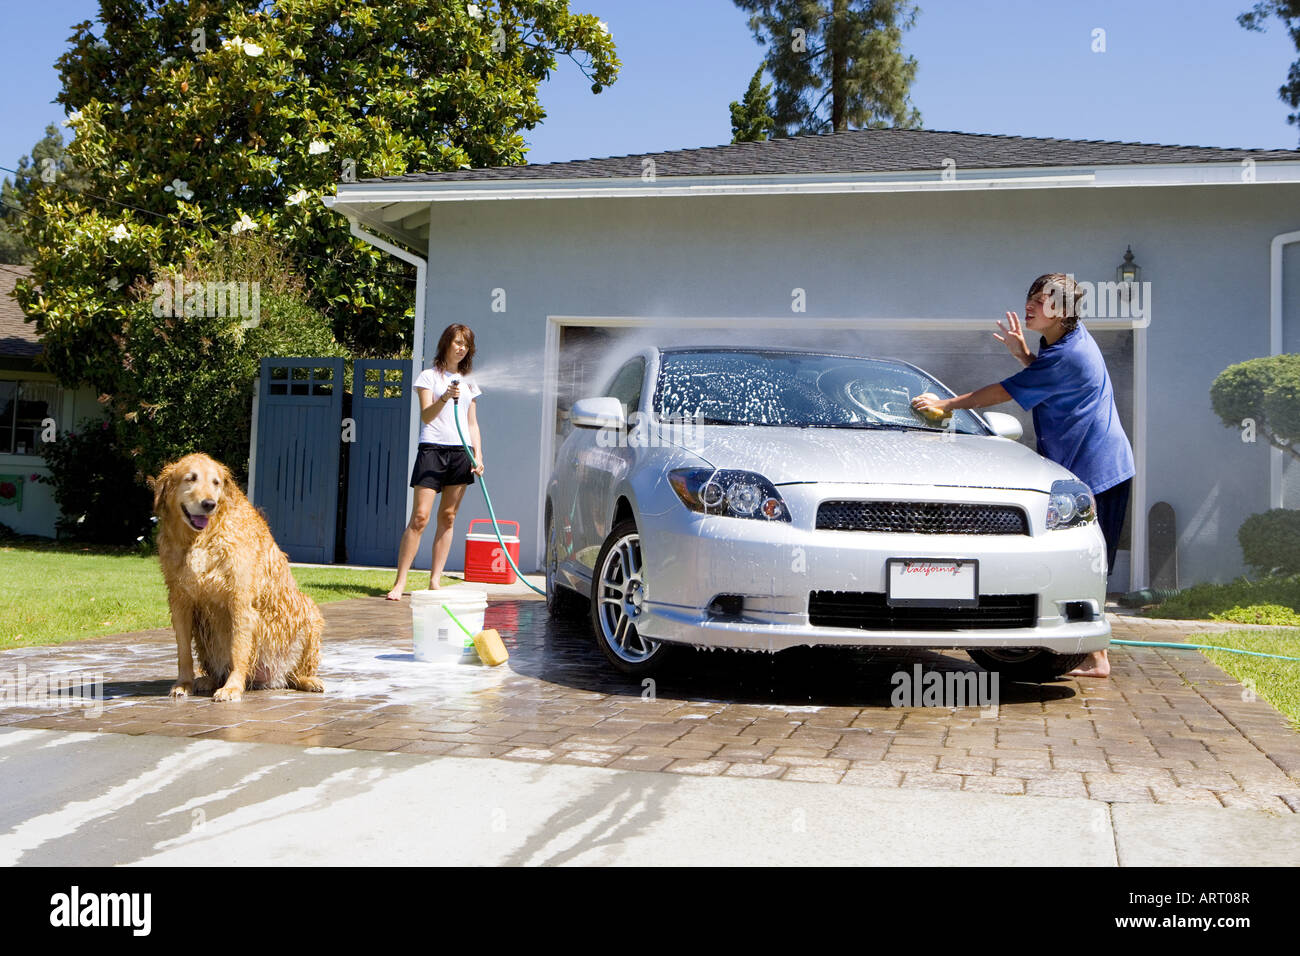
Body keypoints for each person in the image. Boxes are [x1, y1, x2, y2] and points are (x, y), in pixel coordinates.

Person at [911, 273, 1134, 678]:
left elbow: (1006, 391)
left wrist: (947, 404)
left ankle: (1097, 656)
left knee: (1090, 560)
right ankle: (1092, 653)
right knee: (1084, 557)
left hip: (1099, 470)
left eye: (1041, 301)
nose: (1030, 306)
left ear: (1063, 311)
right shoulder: (1064, 342)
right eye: (1029, 297)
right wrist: (1024, 355)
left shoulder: (1069, 353)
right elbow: (1045, 381)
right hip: (1087, 467)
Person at [386, 324, 484, 600]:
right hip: (432, 449)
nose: (461, 348)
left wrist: (478, 455)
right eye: (457, 342)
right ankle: (400, 582)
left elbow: (472, 423)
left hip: (460, 453)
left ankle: (435, 580)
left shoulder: (470, 382)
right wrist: (444, 397)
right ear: (446, 344)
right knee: (420, 518)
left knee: (448, 517)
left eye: (466, 344)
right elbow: (427, 416)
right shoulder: (428, 377)